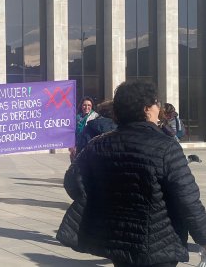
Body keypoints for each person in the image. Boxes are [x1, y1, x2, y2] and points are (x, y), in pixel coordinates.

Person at [57, 80, 206, 267]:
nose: (158, 107)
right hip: (159, 244)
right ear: (146, 109)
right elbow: (188, 200)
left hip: (119, 240)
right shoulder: (166, 147)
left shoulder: (98, 144)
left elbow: (72, 182)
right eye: (156, 103)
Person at [69, 96, 99, 161]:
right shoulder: (77, 117)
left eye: (89, 105)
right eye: (84, 105)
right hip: (77, 147)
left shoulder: (95, 117)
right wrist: (72, 146)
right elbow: (72, 132)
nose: (86, 107)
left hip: (89, 147)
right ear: (81, 106)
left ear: (92, 106)